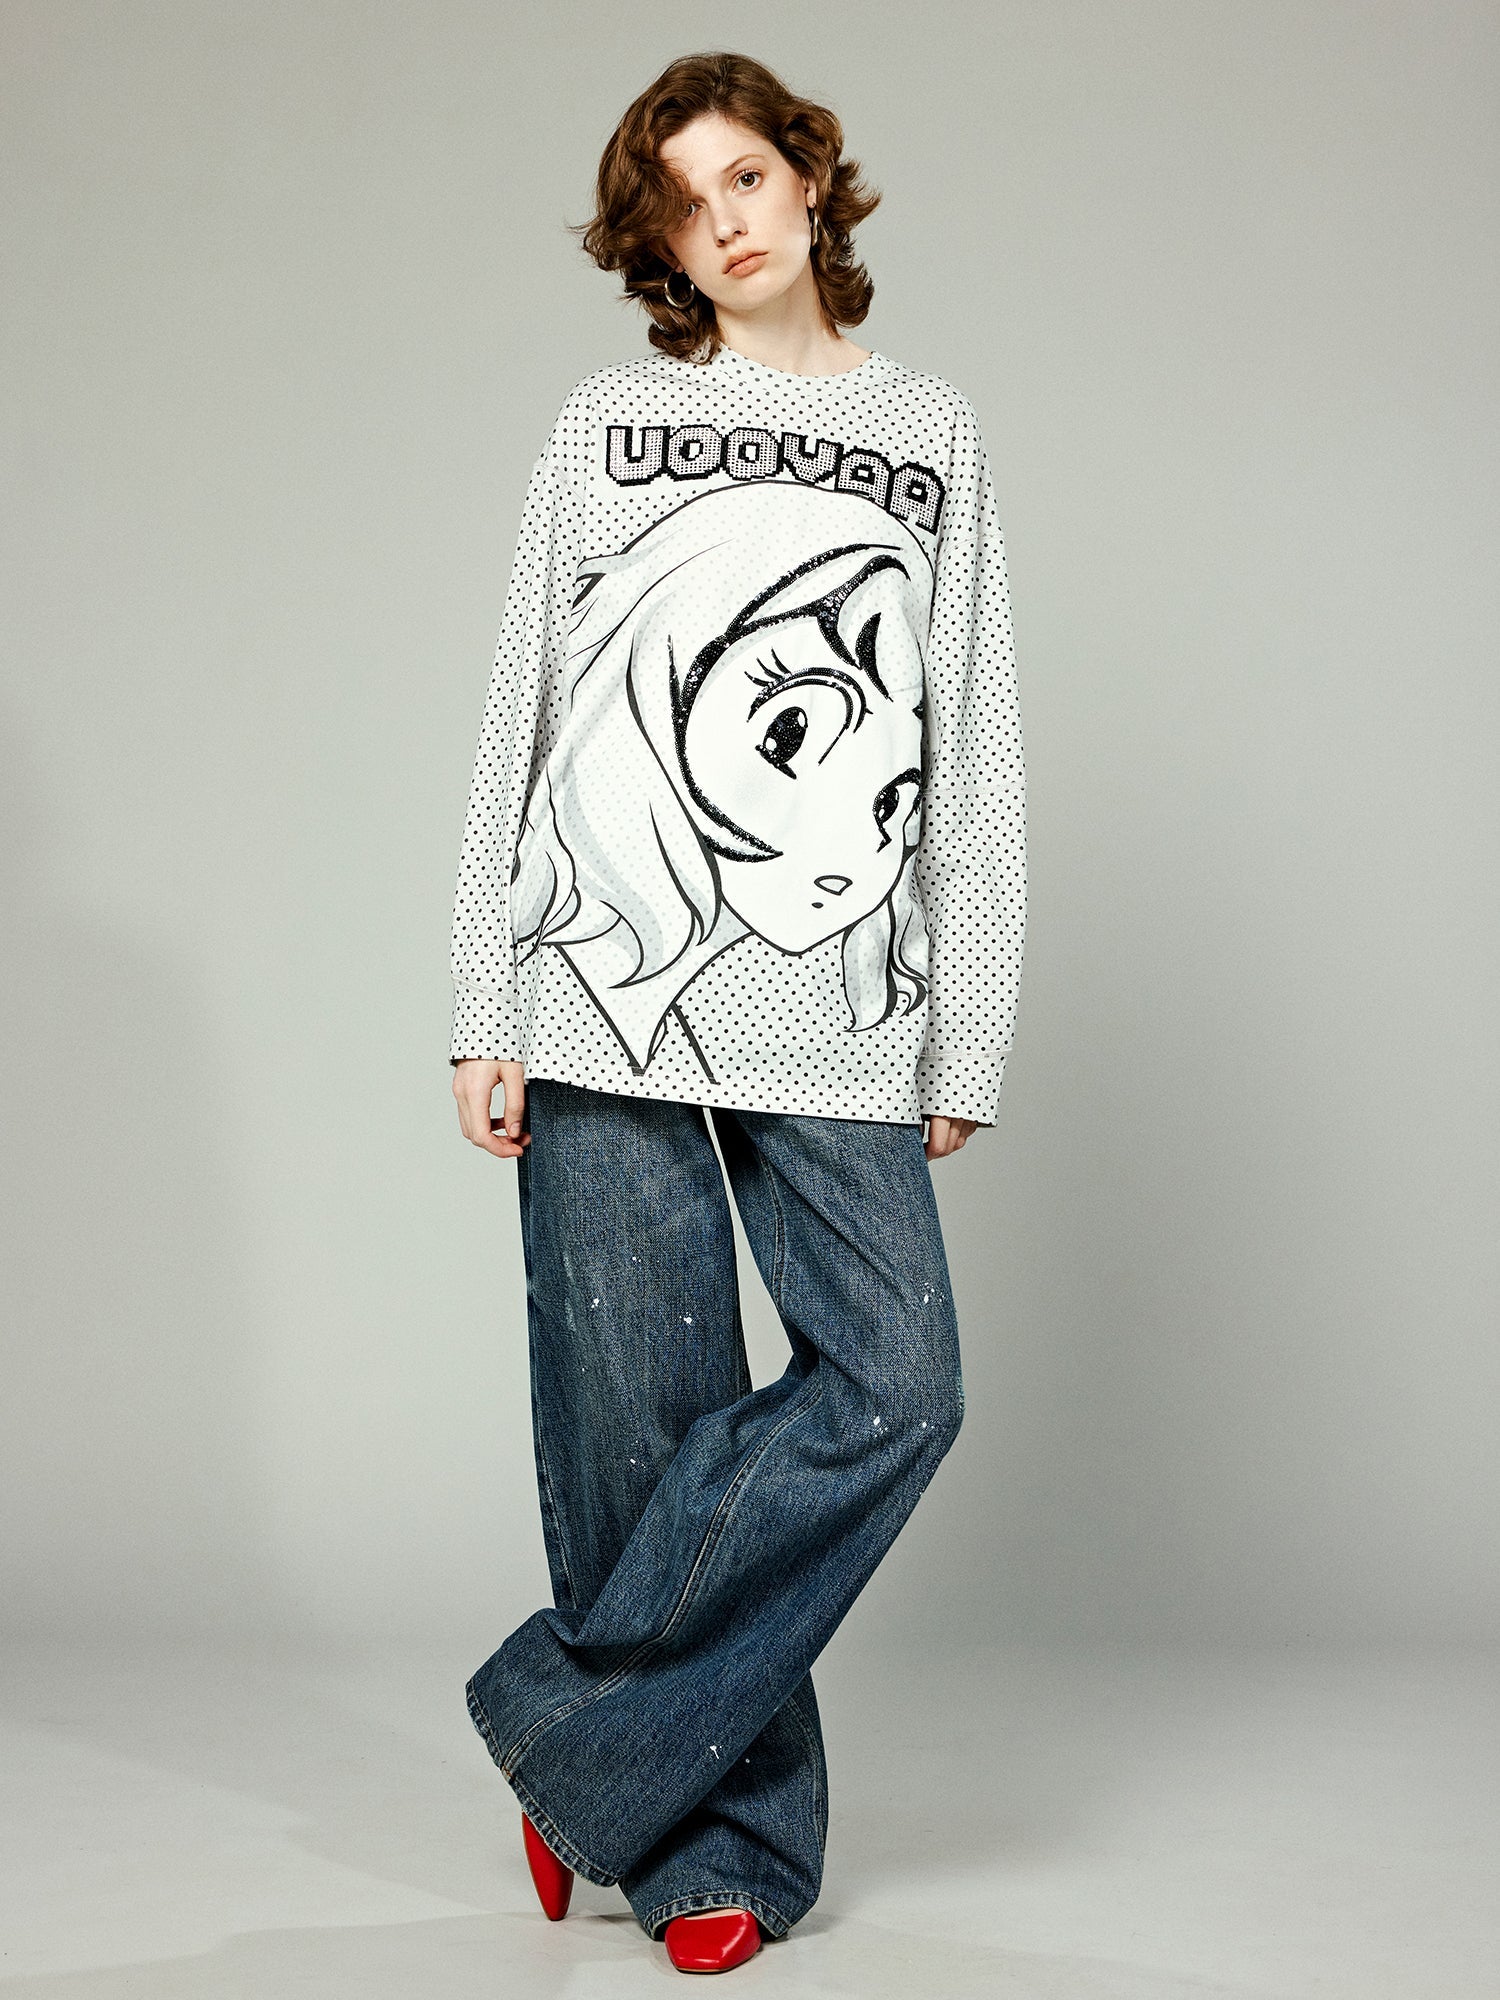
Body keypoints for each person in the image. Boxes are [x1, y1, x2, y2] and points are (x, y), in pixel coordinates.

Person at [448, 49, 1026, 1977]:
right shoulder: (608, 426)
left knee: (898, 1383)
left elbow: (972, 740)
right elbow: (527, 711)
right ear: (662, 248)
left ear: (809, 180)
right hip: (602, 981)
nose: (729, 218)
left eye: (750, 175)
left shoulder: (929, 432)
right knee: (640, 1416)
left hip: (843, 992)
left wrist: (966, 1022)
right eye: (687, 203)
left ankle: (569, 1742)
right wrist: (483, 998)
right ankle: (714, 1851)